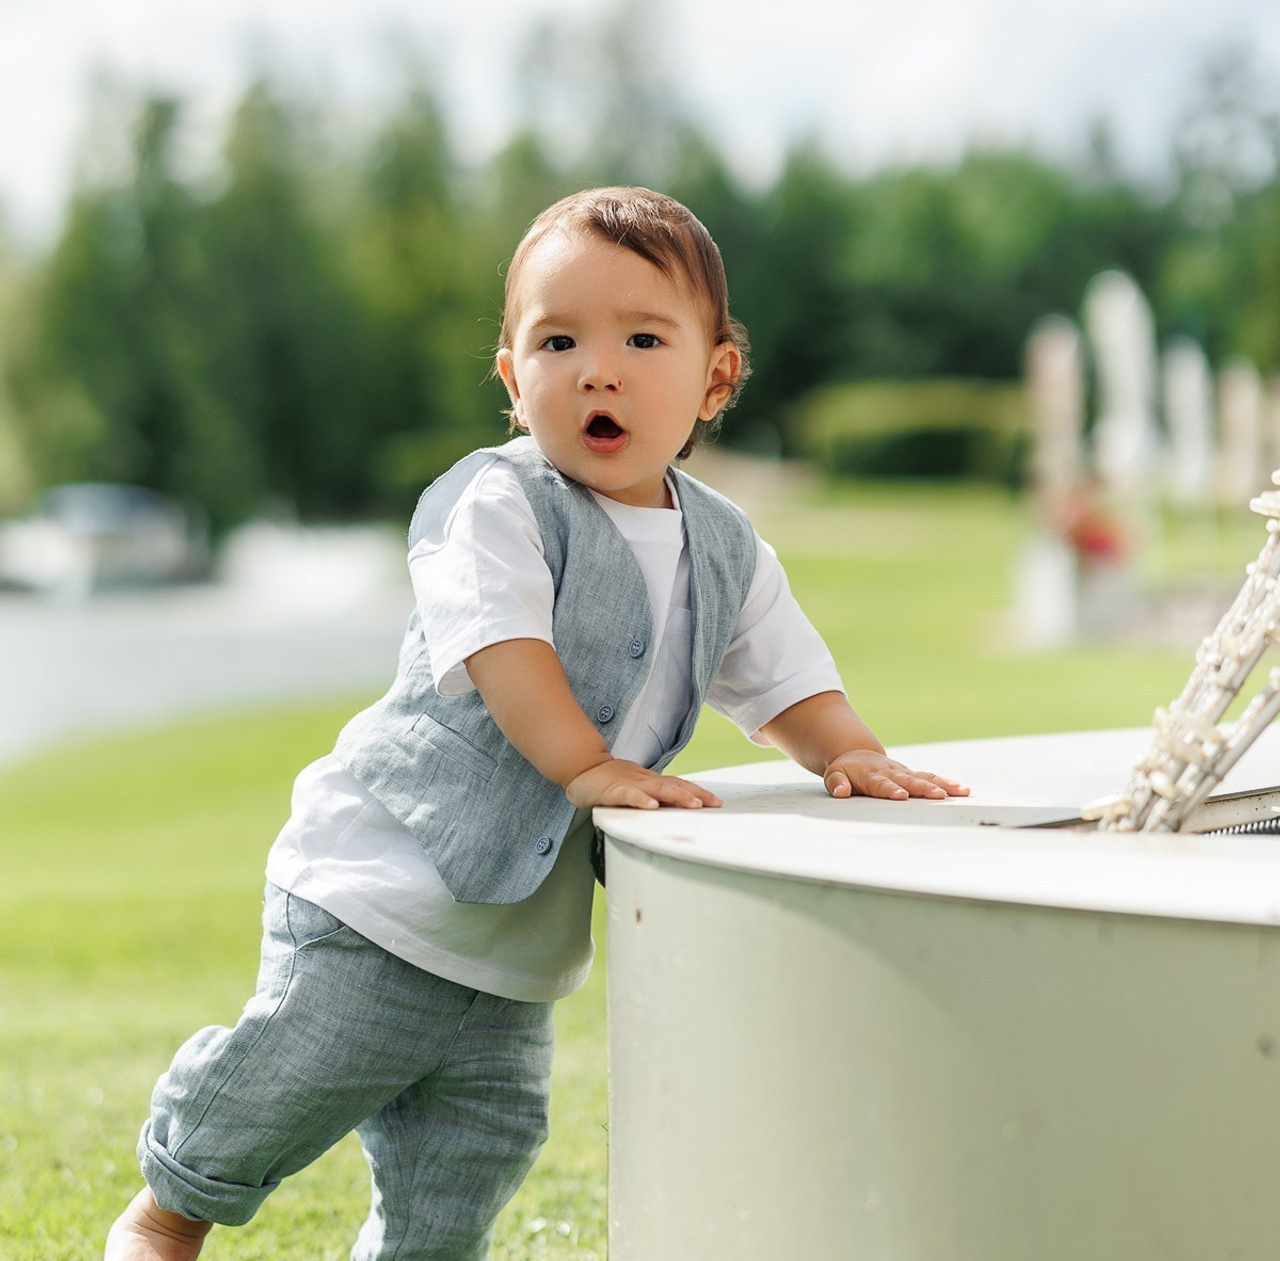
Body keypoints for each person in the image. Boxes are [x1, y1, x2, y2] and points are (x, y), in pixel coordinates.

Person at [105, 185, 968, 1261]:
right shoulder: (496, 503)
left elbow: (783, 673)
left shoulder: (726, 544)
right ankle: (166, 1211)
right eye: (558, 340)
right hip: (382, 885)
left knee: (480, 1138)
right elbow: (503, 651)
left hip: (515, 940)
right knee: (294, 1068)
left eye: (641, 337)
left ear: (715, 379)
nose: (597, 368)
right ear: (515, 381)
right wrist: (588, 763)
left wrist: (846, 748)